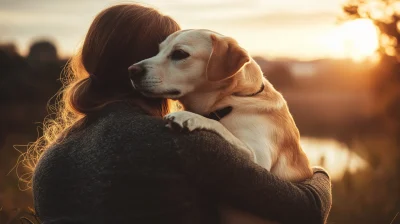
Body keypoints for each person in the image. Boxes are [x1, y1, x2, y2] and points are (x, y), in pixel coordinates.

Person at [27, 4, 332, 224]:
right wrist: (319, 174)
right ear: (144, 63)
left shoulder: (51, 160)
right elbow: (307, 210)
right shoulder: (180, 139)